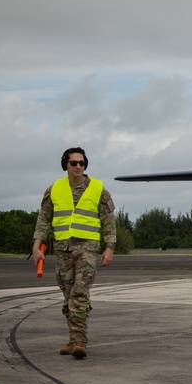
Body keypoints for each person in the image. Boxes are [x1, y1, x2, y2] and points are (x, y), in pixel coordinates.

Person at [31, 147, 116, 359]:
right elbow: (43, 220)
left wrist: (110, 247)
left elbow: (108, 220)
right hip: (62, 250)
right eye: (74, 163)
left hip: (87, 248)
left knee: (79, 292)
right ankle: (73, 338)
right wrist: (36, 246)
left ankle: (80, 342)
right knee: (68, 296)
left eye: (82, 162)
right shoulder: (54, 189)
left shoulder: (98, 188)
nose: (78, 166)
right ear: (65, 165)